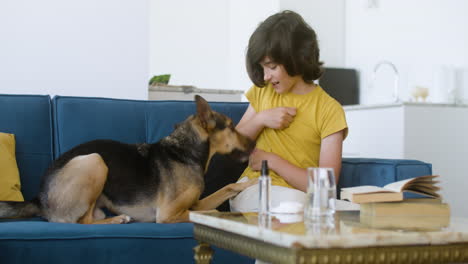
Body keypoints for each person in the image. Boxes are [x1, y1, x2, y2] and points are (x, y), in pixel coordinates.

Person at [229, 10, 348, 212]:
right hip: (254, 189)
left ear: (297, 59)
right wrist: (260, 119)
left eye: (272, 67)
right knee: (295, 205)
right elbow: (233, 146)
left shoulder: (330, 110)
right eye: (262, 68)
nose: (266, 76)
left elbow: (324, 187)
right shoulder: (263, 93)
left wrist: (272, 161)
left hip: (302, 198)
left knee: (357, 212)